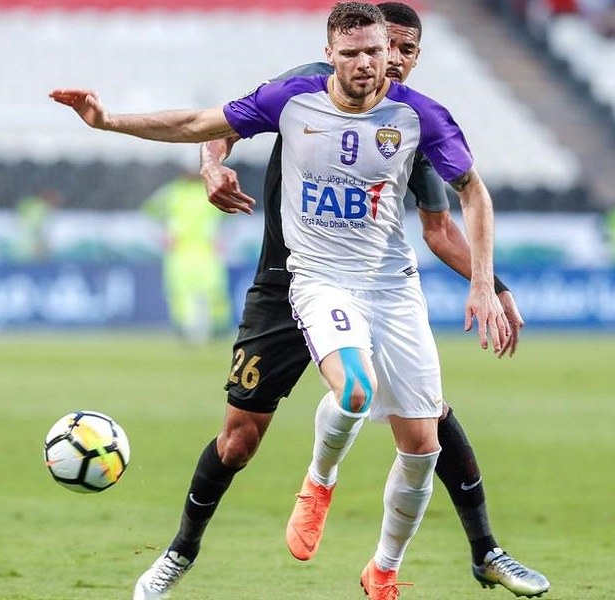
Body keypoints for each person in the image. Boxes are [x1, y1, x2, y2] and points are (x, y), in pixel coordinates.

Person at [49, 3, 546, 597]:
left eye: (399, 52)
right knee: (241, 439)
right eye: (371, 49)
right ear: (337, 52)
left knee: (426, 428)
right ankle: (183, 550)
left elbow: (445, 223)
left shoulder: (416, 122)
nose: (384, 62)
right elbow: (211, 124)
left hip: (383, 284)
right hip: (290, 279)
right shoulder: (300, 91)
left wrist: (490, 284)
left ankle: (463, 554)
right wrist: (191, 157)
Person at [143, 169, 232, 344]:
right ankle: (182, 329)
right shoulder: (172, 192)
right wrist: (161, 236)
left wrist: (224, 238)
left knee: (214, 290)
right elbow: (149, 212)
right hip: (180, 251)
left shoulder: (213, 190)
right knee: (179, 292)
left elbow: (233, 215)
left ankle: (219, 328)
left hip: (206, 250)